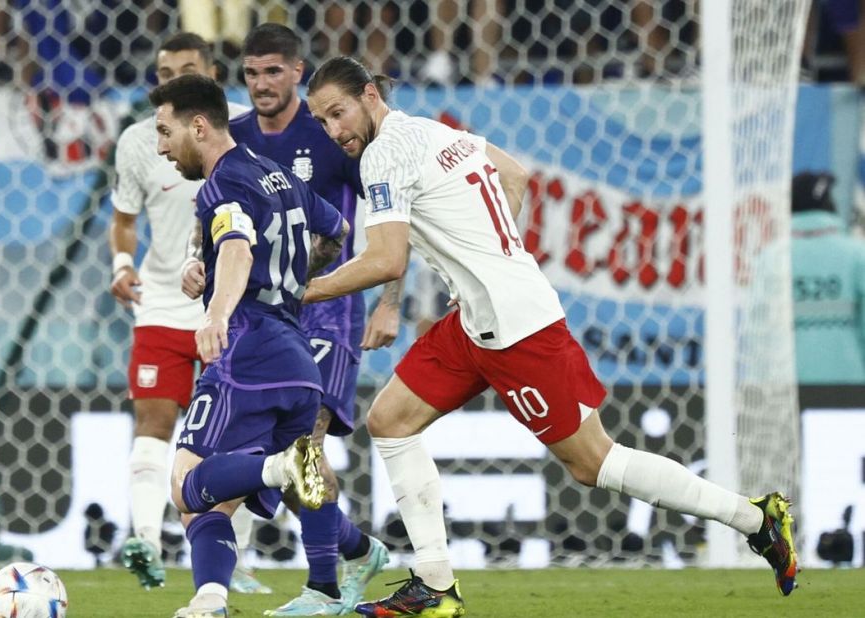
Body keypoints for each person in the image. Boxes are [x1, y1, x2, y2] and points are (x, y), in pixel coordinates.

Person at [303, 56, 800, 616]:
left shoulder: (384, 154)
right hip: (475, 320)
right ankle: (434, 586)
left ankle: (755, 518)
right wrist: (490, 256)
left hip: (516, 327)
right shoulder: (433, 130)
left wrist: (302, 291)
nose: (333, 131)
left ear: (370, 95)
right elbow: (514, 175)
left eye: (338, 113)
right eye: (321, 121)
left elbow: (387, 260)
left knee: (593, 463)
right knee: (389, 420)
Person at [147, 72, 347, 618]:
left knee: (188, 486)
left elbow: (235, 245)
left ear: (198, 125)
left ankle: (277, 471)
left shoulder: (223, 184)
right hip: (297, 359)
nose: (161, 147)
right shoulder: (276, 174)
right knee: (228, 497)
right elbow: (336, 231)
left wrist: (217, 311)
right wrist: (286, 281)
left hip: (248, 352)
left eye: (165, 132)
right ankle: (319, 583)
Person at [229, 22, 394, 615]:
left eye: (273, 71)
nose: (261, 84)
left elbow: (387, 214)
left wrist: (390, 298)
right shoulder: (237, 137)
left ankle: (322, 588)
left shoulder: (329, 134)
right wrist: (201, 264)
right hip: (267, 318)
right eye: (251, 73)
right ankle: (354, 548)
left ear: (299, 71)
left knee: (304, 442)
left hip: (331, 314)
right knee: (287, 458)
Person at [109, 31, 270, 595]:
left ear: (209, 75)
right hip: (158, 300)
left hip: (229, 303)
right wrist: (121, 264)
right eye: (163, 70)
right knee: (153, 420)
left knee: (235, 432)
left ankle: (238, 558)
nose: (170, 78)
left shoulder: (245, 132)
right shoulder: (137, 141)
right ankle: (146, 544)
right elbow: (125, 216)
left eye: (184, 69)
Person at [788, 172, 865, 383]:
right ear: (827, 204)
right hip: (850, 388)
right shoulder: (857, 254)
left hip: (784, 393)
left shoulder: (770, 258)